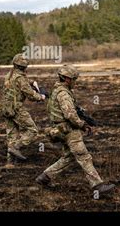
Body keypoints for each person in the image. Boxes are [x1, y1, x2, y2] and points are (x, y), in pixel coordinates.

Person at [36, 65, 115, 194]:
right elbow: (70, 114)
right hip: (69, 131)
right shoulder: (63, 94)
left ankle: (44, 177)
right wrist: (82, 124)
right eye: (74, 79)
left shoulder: (57, 90)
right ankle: (97, 186)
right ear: (67, 79)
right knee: (84, 157)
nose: (75, 82)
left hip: (61, 130)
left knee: (69, 157)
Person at [0, 53, 46, 164]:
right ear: (25, 67)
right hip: (16, 108)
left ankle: (10, 163)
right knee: (33, 130)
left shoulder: (9, 74)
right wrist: (41, 97)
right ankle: (16, 147)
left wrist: (31, 82)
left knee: (11, 134)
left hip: (6, 108)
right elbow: (30, 95)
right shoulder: (21, 78)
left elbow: (18, 83)